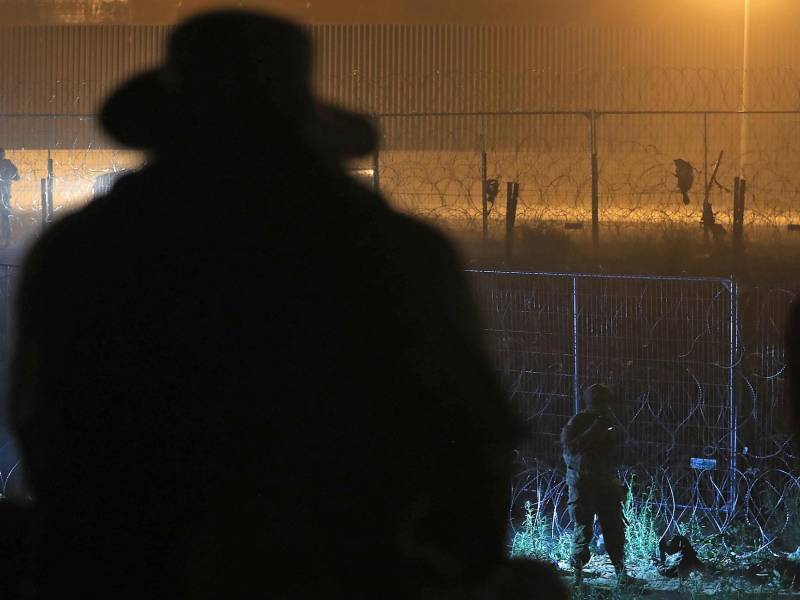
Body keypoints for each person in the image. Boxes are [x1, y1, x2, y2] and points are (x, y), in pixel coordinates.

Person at [9, 11, 565, 599]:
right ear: (307, 131)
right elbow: (472, 439)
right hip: (346, 567)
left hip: (127, 567)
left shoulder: (82, 250)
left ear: (167, 131)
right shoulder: (396, 251)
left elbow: (43, 427)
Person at [561, 384, 628, 585]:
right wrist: (593, 430)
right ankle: (578, 576)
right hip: (584, 483)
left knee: (613, 528)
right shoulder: (578, 422)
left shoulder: (608, 421)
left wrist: (609, 423)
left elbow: (622, 440)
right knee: (583, 528)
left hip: (604, 482)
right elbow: (570, 449)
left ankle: (621, 572)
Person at [0, 149, 20, 246]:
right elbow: (17, 177)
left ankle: (6, 240)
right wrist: (8, 177)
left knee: (5, 219)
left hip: (5, 197)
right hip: (5, 197)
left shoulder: (8, 164)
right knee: (5, 219)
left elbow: (17, 177)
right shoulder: (8, 164)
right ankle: (6, 240)